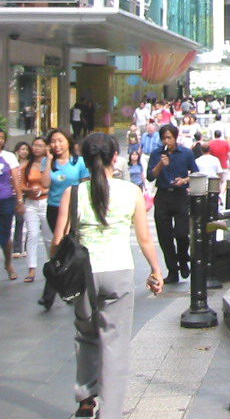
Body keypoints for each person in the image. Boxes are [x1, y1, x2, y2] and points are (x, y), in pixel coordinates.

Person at [53, 132, 163, 419]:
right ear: (116, 157)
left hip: (84, 275)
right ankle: (111, 413)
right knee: (114, 344)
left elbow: (58, 240)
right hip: (119, 273)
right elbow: (144, 240)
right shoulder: (131, 192)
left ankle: (86, 399)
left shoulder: (73, 193)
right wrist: (155, 270)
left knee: (86, 335)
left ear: (86, 160)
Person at [40, 128, 89, 310]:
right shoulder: (48, 162)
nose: (56, 145)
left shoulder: (79, 162)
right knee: (62, 249)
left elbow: (85, 185)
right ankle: (64, 289)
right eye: (53, 141)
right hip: (54, 209)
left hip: (72, 209)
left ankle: (51, 293)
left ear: (68, 141)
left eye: (60, 140)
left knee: (65, 249)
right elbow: (45, 184)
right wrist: (49, 161)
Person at [146, 124, 197, 284]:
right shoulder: (156, 154)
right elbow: (150, 176)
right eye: (164, 138)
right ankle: (172, 270)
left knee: (182, 233)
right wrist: (161, 164)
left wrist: (184, 180)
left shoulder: (186, 153)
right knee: (165, 236)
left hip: (180, 195)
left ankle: (183, 258)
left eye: (169, 137)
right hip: (162, 196)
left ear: (175, 137)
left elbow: (195, 173)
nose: (166, 141)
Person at [20, 136, 50, 283]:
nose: (37, 148)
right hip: (30, 203)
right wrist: (29, 190)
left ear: (46, 148)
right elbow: (21, 185)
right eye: (35, 145)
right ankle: (31, 269)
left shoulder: (49, 163)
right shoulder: (27, 165)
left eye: (40, 145)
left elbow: (55, 183)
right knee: (32, 235)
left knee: (48, 237)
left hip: (45, 202)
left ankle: (53, 266)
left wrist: (43, 192)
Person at [0, 130, 24, 279]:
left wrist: (19, 200)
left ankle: (8, 264)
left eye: (2, 138)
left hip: (6, 199)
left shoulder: (8, 157)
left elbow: (16, 180)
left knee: (4, 236)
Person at [10, 141, 30, 258]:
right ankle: (15, 248)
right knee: (16, 220)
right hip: (12, 195)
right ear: (17, 150)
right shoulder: (13, 164)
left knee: (24, 221)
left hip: (26, 194)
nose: (25, 151)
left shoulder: (30, 164)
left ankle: (24, 248)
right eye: (22, 149)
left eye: (26, 149)